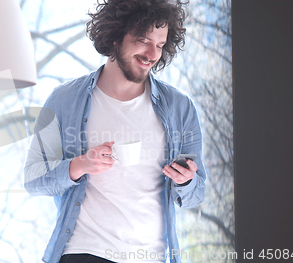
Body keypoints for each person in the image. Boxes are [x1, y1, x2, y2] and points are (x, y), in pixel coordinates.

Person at [24, 0, 207, 262]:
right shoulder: (63, 100)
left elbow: (196, 193)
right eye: (143, 40)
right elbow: (33, 178)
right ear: (114, 37)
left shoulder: (180, 108)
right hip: (84, 252)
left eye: (160, 45)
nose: (152, 54)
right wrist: (80, 165)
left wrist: (186, 180)